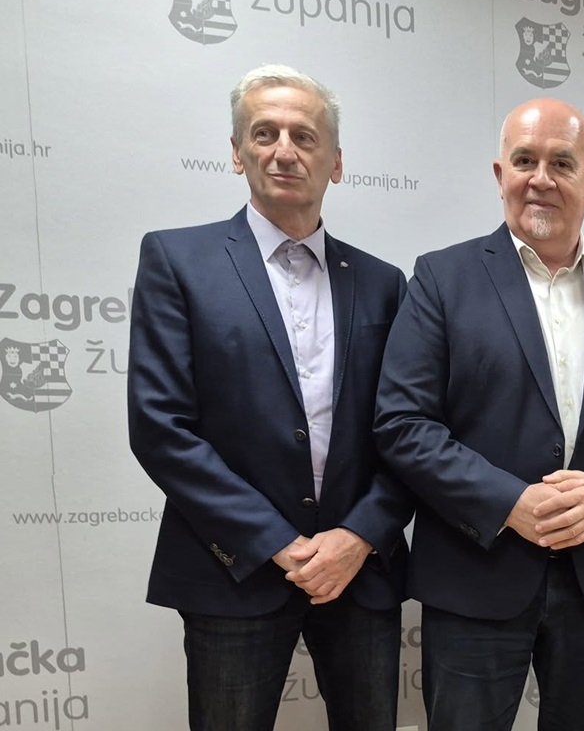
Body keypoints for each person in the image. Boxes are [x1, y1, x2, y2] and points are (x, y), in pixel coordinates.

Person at [372, 98, 584, 731]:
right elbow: (403, 424)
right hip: (475, 574)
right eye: (525, 161)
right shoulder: (441, 279)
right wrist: (510, 503)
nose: (541, 178)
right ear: (501, 175)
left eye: (562, 163)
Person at [128, 65, 410, 731]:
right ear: (237, 152)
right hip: (232, 568)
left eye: (305, 136)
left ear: (336, 162)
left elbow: (407, 431)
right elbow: (161, 427)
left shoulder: (384, 283)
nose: (285, 150)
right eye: (265, 133)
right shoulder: (177, 261)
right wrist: (277, 542)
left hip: (359, 570)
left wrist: (357, 537)